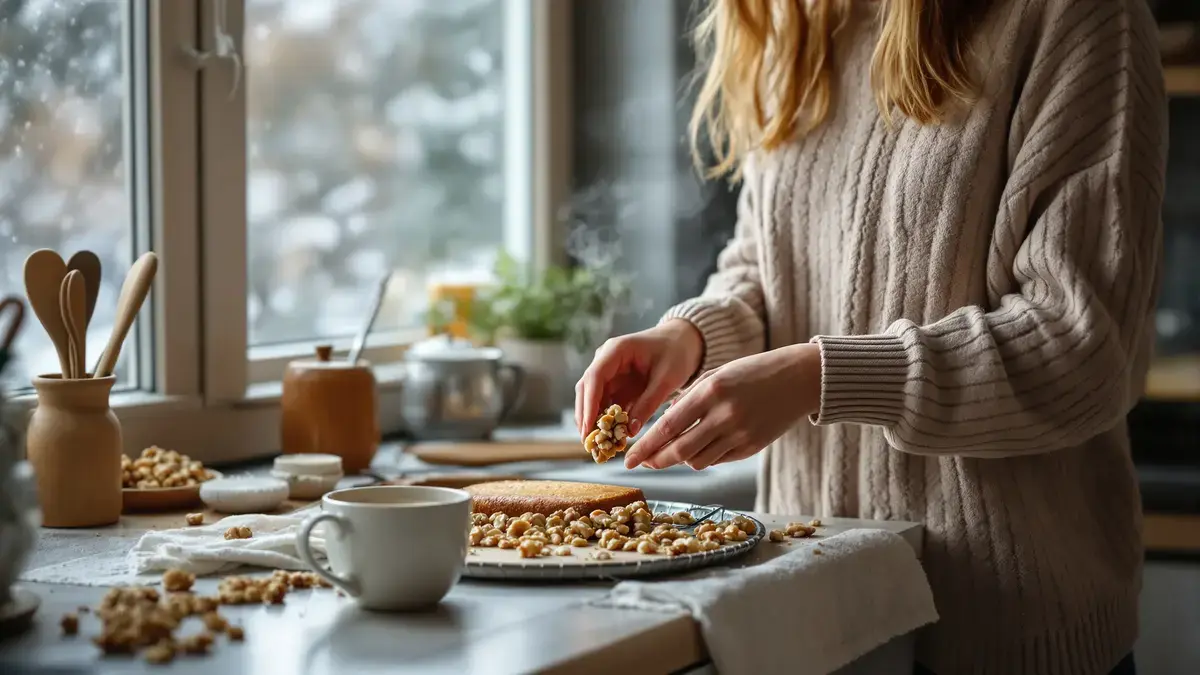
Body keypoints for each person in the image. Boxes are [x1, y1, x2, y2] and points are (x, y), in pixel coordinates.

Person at [574, 1, 1165, 673]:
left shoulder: (1076, 16)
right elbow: (766, 268)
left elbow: (1081, 350)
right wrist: (688, 339)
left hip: (1002, 630)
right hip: (813, 617)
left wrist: (818, 377)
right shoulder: (791, 21)